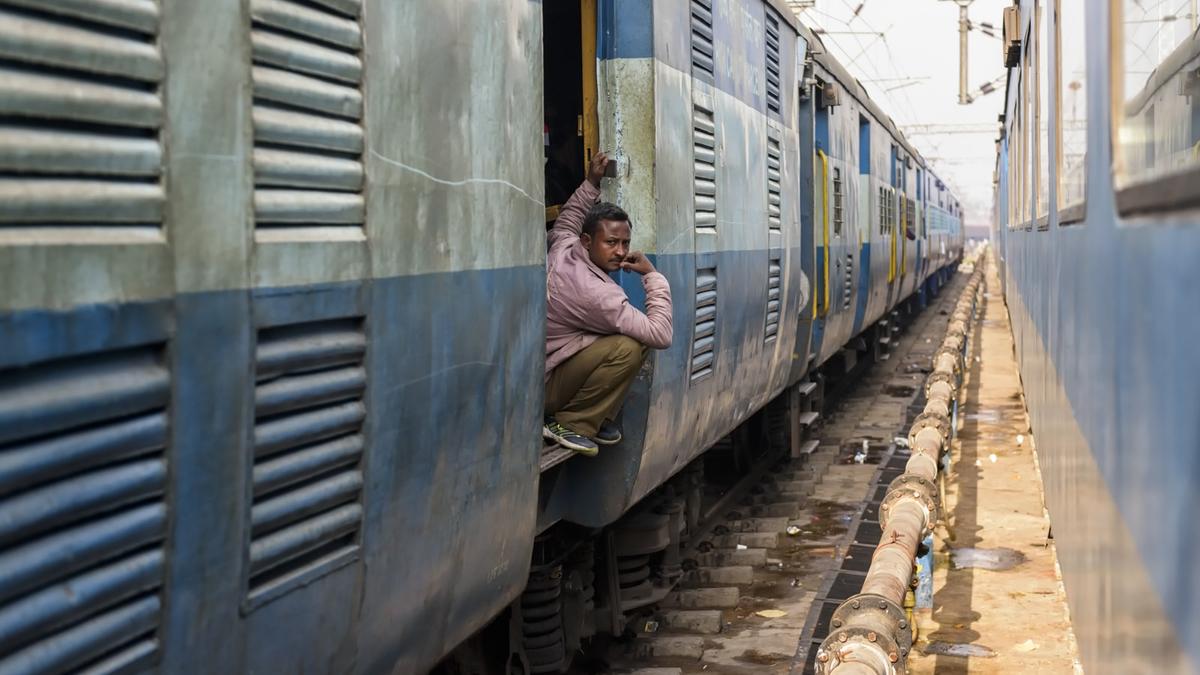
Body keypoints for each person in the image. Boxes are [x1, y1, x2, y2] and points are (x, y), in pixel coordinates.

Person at [543, 151, 673, 456]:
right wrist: (652, 276)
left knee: (630, 338)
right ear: (587, 242)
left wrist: (591, 181)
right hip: (545, 388)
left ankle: (593, 415)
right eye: (611, 243)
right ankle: (571, 422)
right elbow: (661, 334)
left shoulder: (565, 246)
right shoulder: (597, 294)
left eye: (625, 243)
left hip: (546, 369)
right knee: (630, 347)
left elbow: (567, 222)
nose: (620, 252)